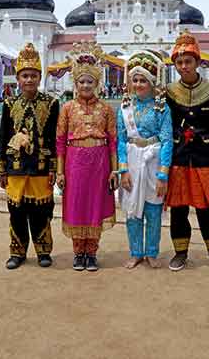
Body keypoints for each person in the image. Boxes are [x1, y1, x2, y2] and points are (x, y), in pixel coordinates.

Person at [165, 30, 209, 272]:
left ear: (197, 62)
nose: (184, 66)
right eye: (179, 62)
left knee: (207, 208)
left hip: (206, 157)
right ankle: (180, 252)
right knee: (179, 209)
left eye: (188, 61)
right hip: (180, 156)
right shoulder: (170, 92)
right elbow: (167, 127)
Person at [0, 43, 59, 270]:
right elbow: (3, 135)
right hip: (15, 168)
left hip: (41, 168)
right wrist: (1, 169)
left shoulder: (51, 103)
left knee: (42, 212)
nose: (29, 80)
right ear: (18, 78)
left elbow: (53, 138)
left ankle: (44, 251)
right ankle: (17, 252)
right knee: (17, 213)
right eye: (25, 76)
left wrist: (53, 168)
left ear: (40, 77)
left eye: (33, 75)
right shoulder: (9, 104)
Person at [56, 41, 118, 272]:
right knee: (76, 205)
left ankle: (91, 253)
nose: (85, 85)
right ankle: (78, 252)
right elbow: (60, 141)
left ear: (97, 83)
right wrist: (60, 171)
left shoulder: (106, 109)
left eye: (89, 81)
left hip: (100, 162)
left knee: (95, 205)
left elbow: (113, 141)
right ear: (75, 83)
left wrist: (114, 170)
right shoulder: (67, 109)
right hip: (74, 163)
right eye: (81, 81)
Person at [117, 50, 173, 269]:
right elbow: (121, 141)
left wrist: (163, 174)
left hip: (153, 161)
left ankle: (151, 252)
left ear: (152, 83)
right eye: (135, 80)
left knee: (153, 210)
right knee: (132, 210)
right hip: (131, 160)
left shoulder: (162, 108)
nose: (139, 84)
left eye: (143, 80)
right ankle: (135, 252)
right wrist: (123, 170)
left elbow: (168, 141)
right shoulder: (124, 109)